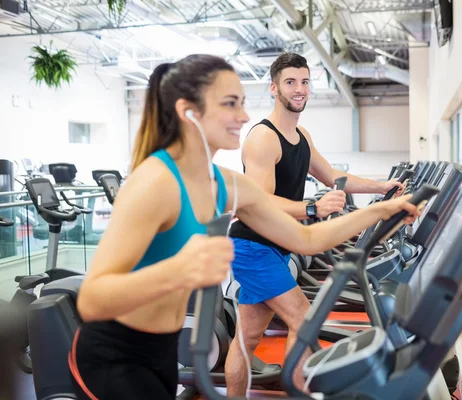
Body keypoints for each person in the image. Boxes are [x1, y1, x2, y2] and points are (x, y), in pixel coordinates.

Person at [68, 54, 420, 400]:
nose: (244, 116)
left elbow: (307, 238)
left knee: (248, 338)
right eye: (230, 104)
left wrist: (380, 210)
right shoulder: (154, 182)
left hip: (163, 348)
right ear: (189, 111)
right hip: (115, 353)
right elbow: (94, 299)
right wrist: (179, 269)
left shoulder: (226, 184)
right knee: (298, 318)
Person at [225, 52, 407, 396]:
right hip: (253, 246)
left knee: (247, 337)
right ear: (274, 88)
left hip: (277, 245)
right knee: (303, 318)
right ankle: (302, 392)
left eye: (305, 82)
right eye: (291, 82)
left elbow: (334, 176)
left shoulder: (301, 136)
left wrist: (380, 187)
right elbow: (259, 201)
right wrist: (311, 207)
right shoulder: (263, 138)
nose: (299, 89)